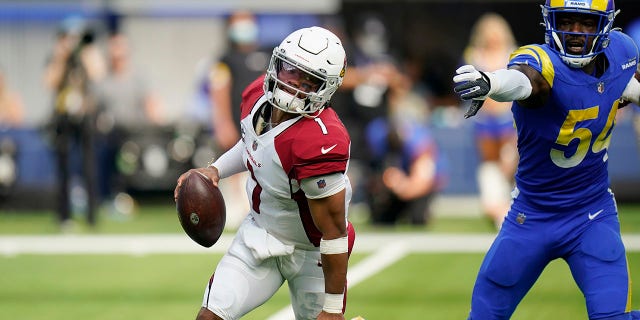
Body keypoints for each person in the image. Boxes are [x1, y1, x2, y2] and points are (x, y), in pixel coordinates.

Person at [453, 1, 640, 319]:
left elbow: (618, 85)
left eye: (586, 23)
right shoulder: (540, 61)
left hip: (592, 216)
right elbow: (523, 81)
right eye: (566, 21)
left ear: (605, 26)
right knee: (484, 315)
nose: (576, 33)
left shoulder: (621, 53)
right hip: (532, 217)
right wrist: (491, 83)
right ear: (550, 22)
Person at [174, 26, 356, 320]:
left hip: (311, 253)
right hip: (259, 235)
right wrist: (215, 169)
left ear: (327, 88)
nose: (292, 85)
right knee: (210, 316)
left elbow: (334, 233)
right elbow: (253, 143)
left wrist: (333, 310)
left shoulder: (320, 140)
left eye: (309, 81)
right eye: (290, 71)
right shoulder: (256, 95)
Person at [43, 17, 106, 228]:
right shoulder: (57, 57)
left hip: (85, 115)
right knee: (63, 167)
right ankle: (64, 215)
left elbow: (98, 75)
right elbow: (50, 82)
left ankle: (91, 217)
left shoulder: (87, 55)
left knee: (89, 165)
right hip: (63, 115)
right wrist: (61, 56)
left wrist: (85, 53)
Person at [363, 70, 446, 226]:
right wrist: (384, 179)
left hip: (415, 183)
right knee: (381, 219)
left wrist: (402, 186)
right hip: (392, 179)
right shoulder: (377, 131)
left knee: (418, 219)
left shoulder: (417, 136)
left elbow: (423, 177)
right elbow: (373, 167)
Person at [461, 13, 519, 230]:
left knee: (509, 162)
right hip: (485, 118)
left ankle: (511, 203)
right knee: (490, 163)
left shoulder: (514, 53)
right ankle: (496, 204)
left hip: (509, 116)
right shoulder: (473, 54)